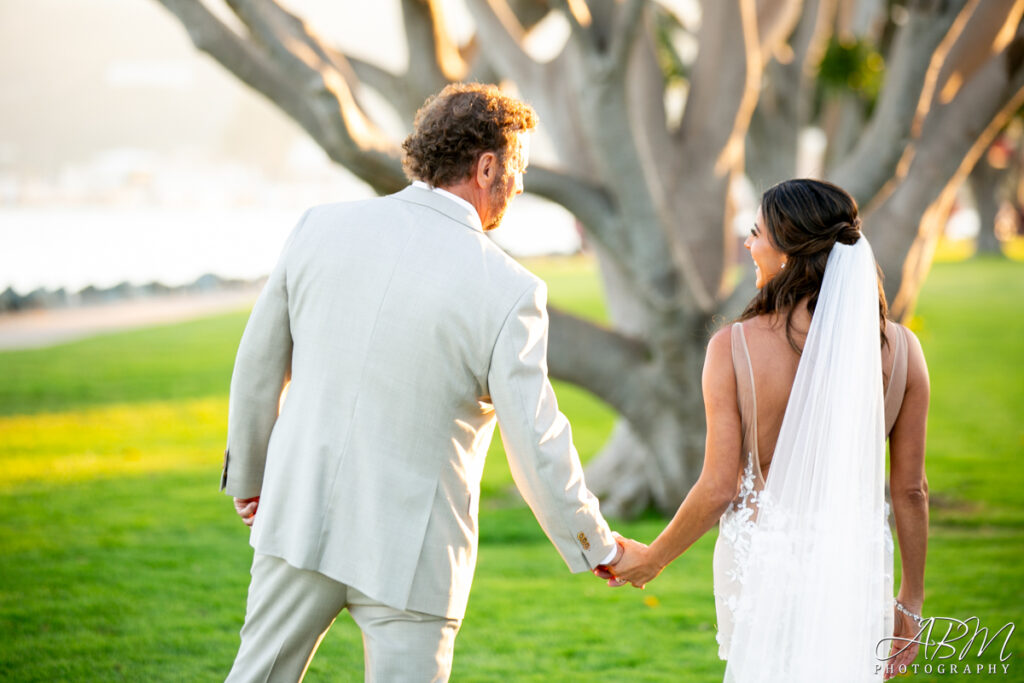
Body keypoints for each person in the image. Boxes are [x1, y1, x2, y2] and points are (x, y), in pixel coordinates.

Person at [220, 83, 635, 683]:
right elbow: (537, 441)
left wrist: (253, 481)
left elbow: (258, 365)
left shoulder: (318, 227)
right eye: (516, 168)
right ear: (486, 165)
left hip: (299, 513)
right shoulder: (510, 289)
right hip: (413, 554)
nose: (518, 185)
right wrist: (597, 543)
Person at [604, 179, 930, 682]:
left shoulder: (732, 348)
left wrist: (653, 559)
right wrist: (910, 598)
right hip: (851, 572)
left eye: (756, 233)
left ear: (787, 251)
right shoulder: (902, 352)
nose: (747, 244)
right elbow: (910, 490)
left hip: (760, 568)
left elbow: (718, 487)